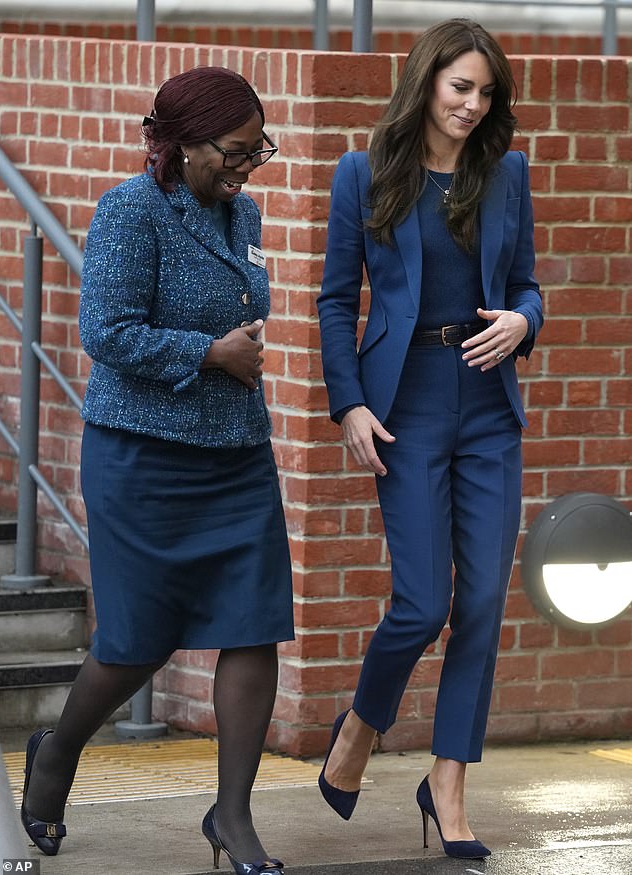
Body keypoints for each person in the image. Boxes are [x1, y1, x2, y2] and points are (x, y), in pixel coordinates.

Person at [20, 66, 292, 875]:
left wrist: (236, 351)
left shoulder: (242, 211)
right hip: (142, 458)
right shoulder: (130, 211)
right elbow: (105, 331)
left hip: (237, 456)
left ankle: (232, 816)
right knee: (137, 643)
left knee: (253, 625)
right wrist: (210, 352)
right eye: (236, 151)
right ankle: (57, 752)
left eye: (258, 149)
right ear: (181, 144)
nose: (248, 166)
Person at [316, 18, 543, 860]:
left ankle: (447, 779)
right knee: (421, 601)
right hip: (403, 401)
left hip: (487, 403)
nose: (473, 106)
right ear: (426, 83)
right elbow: (339, 300)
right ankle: (360, 728)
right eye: (460, 88)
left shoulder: (506, 172)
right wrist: (348, 405)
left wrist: (524, 319)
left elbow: (527, 284)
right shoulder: (363, 172)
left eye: (486, 93)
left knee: (481, 600)